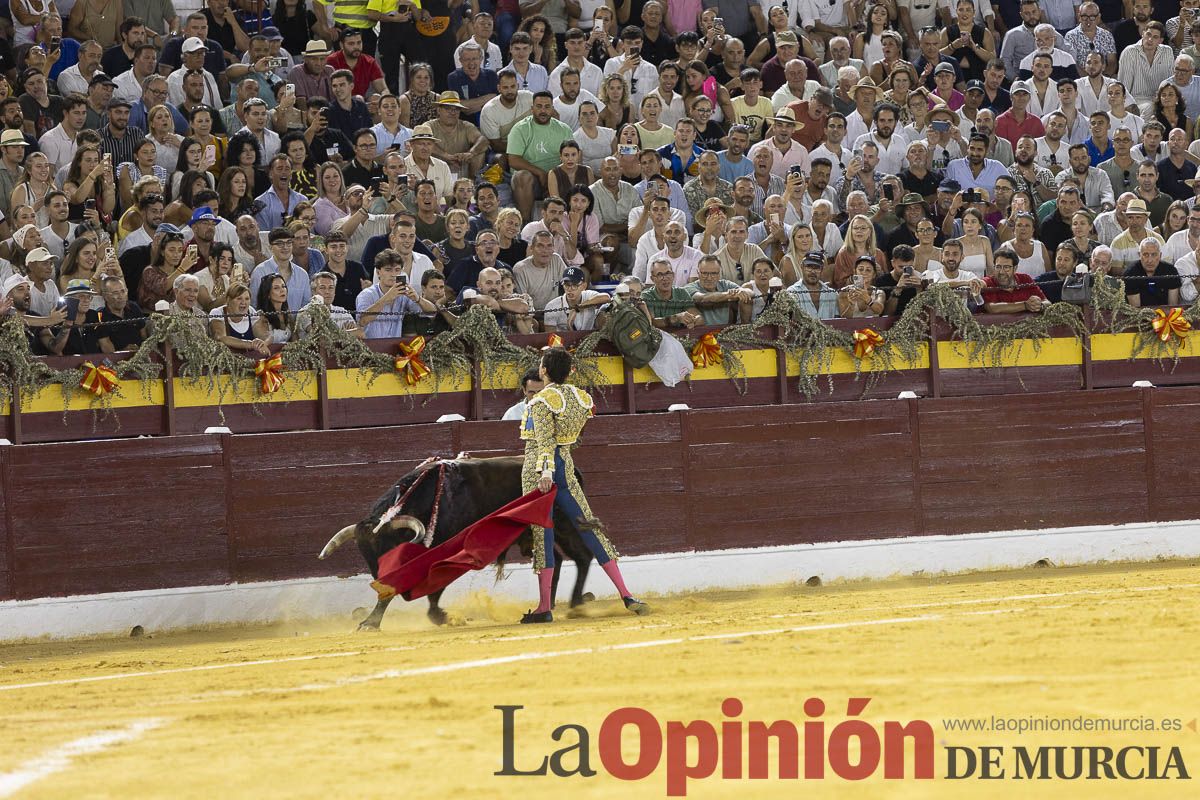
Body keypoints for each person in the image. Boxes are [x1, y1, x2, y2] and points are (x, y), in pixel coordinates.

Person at [518, 346, 648, 624]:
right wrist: (559, 462)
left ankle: (544, 607)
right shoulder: (582, 398)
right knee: (589, 526)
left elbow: (544, 442)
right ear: (569, 371)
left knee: (544, 536)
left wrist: (545, 472)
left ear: (544, 371)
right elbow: (575, 438)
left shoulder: (541, 401)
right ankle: (626, 594)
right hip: (566, 465)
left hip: (539, 470)